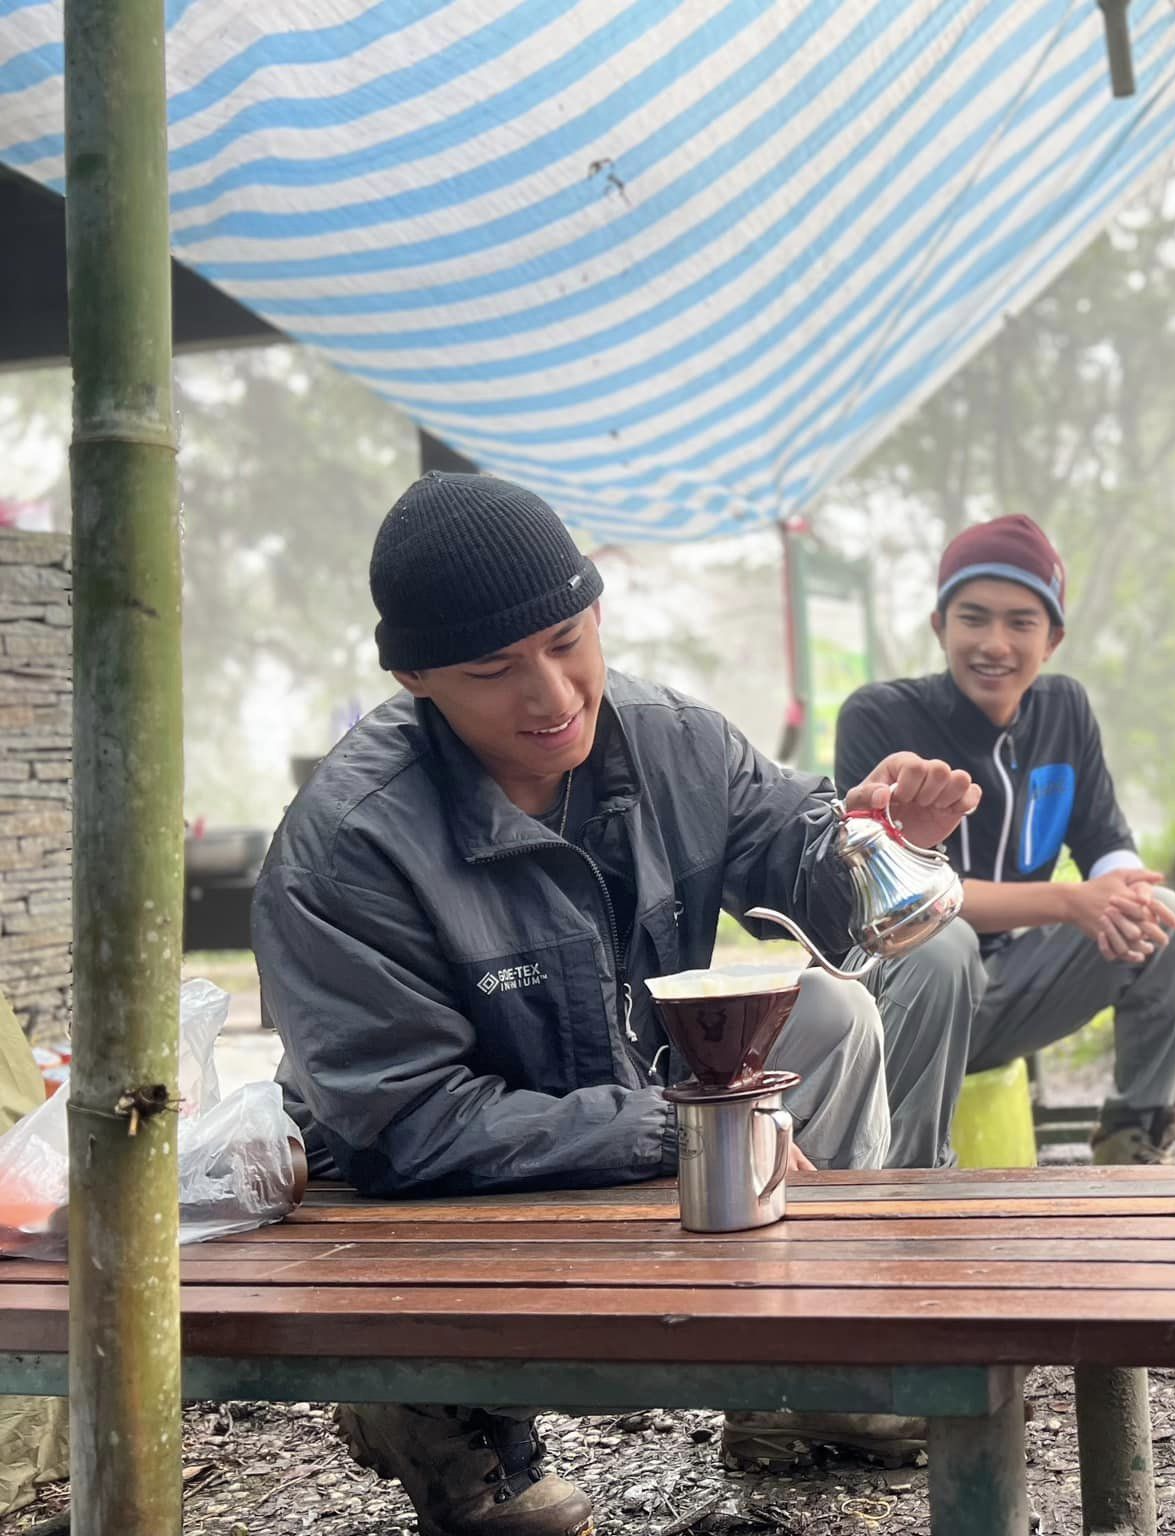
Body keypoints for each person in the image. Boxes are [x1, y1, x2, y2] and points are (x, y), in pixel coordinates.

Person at [252, 472, 978, 1536]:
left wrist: (868, 837)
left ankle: (817, 1369)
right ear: (414, 679)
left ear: (597, 614)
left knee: (830, 1016)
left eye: (565, 639)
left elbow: (788, 839)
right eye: (492, 670)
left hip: (615, 1089)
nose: (549, 696)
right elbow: (403, 1121)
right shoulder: (347, 847)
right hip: (415, 1170)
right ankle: (444, 1419)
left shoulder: (672, 740)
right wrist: (678, 1127)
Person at [837, 514, 1175, 1169]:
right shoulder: (880, 717)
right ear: (939, 626)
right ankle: (907, 1179)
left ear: (1054, 639)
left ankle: (1132, 1138)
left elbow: (1104, 837)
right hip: (899, 999)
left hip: (1009, 990)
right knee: (940, 944)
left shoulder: (1065, 710)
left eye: (1021, 622)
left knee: (1171, 918)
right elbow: (897, 902)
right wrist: (1070, 902)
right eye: (973, 618)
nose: (995, 644)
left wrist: (1125, 895)